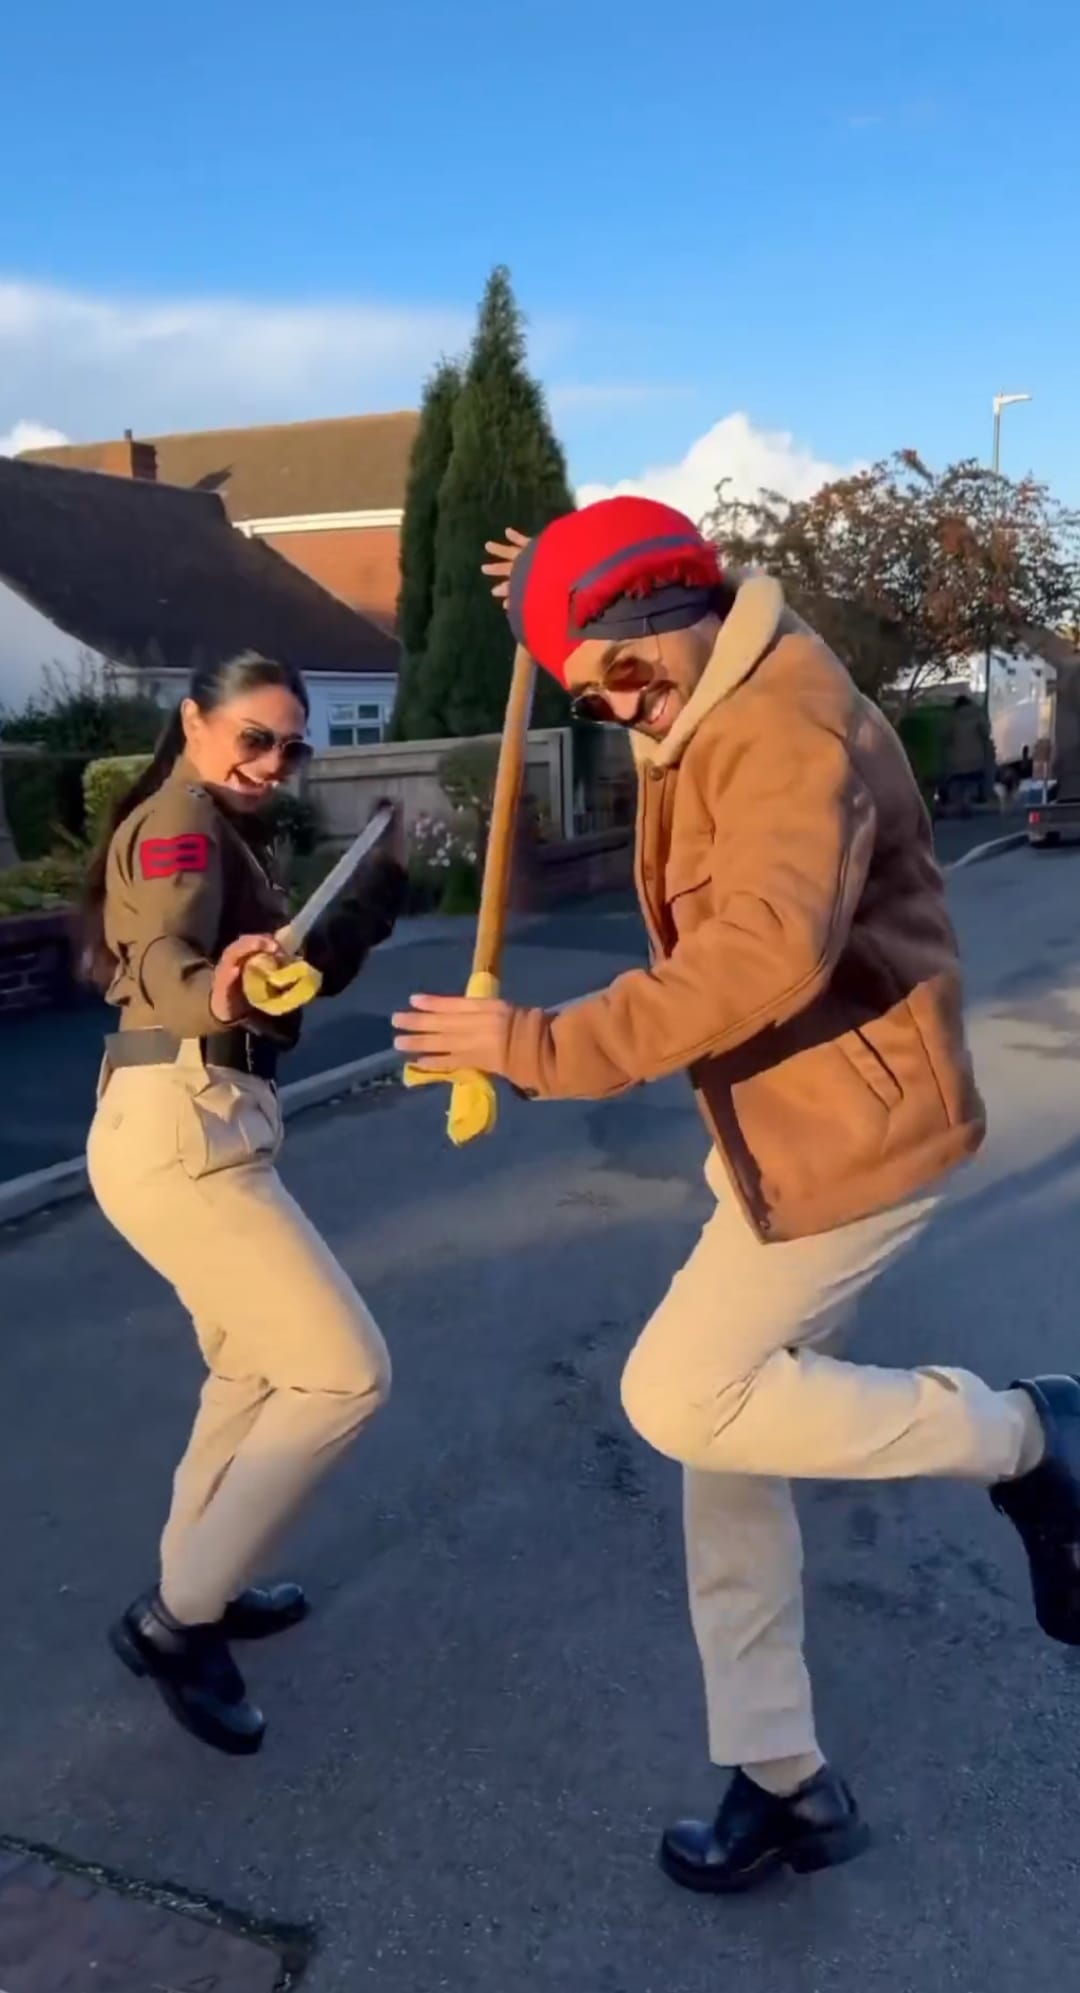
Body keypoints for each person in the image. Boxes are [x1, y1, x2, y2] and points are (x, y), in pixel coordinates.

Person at [395, 498, 1080, 1892]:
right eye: (593, 695)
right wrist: (554, 582)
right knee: (731, 1450)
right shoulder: (700, 675)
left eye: (620, 675)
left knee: (678, 1395)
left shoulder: (782, 728)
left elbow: (761, 952)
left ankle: (1030, 1436)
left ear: (673, 616)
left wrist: (533, 1045)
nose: (619, 711)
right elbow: (629, 590)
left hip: (849, 1146)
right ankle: (782, 1774)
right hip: (778, 1136)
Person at [84, 651, 406, 1756]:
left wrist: (373, 890)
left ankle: (201, 1585)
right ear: (194, 721)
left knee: (253, 1372)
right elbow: (168, 954)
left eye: (290, 746)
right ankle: (177, 1620)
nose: (272, 761)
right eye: (254, 737)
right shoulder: (180, 821)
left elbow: (292, 976)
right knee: (346, 1372)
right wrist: (212, 983)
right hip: (184, 1127)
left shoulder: (231, 830)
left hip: (210, 1120)